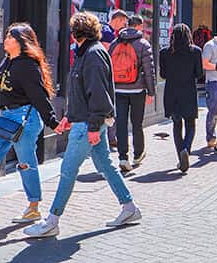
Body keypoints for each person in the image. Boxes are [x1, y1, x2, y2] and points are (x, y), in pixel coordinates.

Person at [24, 12, 140, 238]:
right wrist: (69, 115)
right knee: (106, 165)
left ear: (76, 32)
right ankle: (129, 208)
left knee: (67, 171)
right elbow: (83, 92)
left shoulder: (93, 54)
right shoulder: (89, 53)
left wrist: (94, 126)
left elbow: (98, 94)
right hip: (85, 121)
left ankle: (52, 220)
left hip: (87, 125)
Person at [0, 24, 60, 224]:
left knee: (25, 163)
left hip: (25, 117)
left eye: (10, 37)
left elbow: (39, 96)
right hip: (6, 118)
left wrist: (52, 121)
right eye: (7, 36)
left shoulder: (27, 65)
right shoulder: (7, 61)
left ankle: (33, 207)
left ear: (21, 41)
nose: (5, 39)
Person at [109, 15, 156, 172]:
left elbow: (108, 67)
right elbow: (149, 70)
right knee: (137, 123)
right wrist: (151, 91)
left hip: (118, 90)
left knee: (121, 124)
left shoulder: (115, 43)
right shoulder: (143, 44)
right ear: (139, 26)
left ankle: (123, 157)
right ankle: (138, 154)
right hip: (137, 90)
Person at [159, 24, 203, 172]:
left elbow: (163, 74)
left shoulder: (164, 52)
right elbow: (199, 73)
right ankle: (186, 149)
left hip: (172, 92)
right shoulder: (195, 51)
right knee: (191, 124)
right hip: (189, 91)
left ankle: (180, 155)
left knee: (177, 125)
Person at [101, 10, 129, 149]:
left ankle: (111, 137)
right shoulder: (107, 33)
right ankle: (110, 138)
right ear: (117, 19)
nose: (123, 26)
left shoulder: (106, 31)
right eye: (123, 22)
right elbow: (108, 55)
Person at [202, 28, 217, 149]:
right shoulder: (209, 45)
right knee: (213, 112)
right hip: (213, 82)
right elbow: (204, 64)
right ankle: (210, 138)